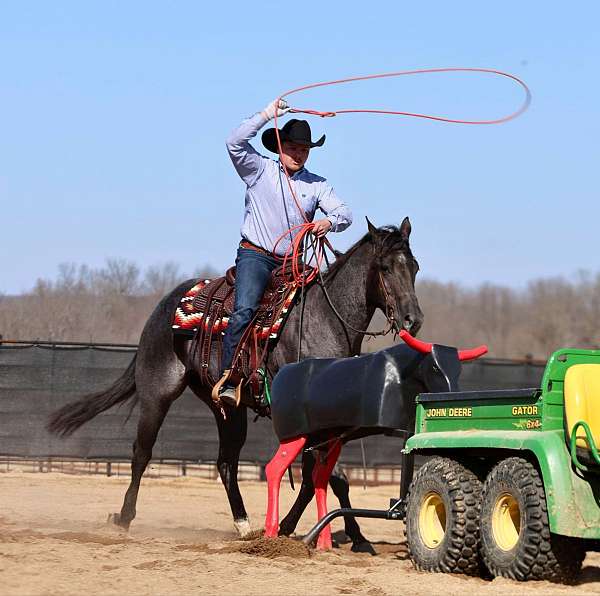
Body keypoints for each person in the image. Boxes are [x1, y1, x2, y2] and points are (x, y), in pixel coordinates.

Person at [216, 98, 353, 405]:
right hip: (256, 255)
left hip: (292, 262)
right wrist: (267, 114)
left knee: (312, 310)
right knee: (246, 308)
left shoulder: (317, 185)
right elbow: (234, 142)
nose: (299, 154)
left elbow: (345, 212)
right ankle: (230, 376)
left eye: (304, 150)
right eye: (293, 148)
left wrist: (328, 222)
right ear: (280, 147)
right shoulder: (258, 170)